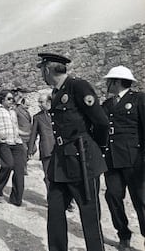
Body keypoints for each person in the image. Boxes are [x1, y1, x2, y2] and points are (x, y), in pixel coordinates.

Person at [37, 53, 109, 251]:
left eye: (42, 70)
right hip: (61, 159)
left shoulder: (78, 86)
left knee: (89, 215)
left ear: (48, 69)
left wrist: (97, 149)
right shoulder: (56, 93)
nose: (41, 74)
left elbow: (101, 122)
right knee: (55, 210)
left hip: (82, 158)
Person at [101, 65, 145, 250]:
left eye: (109, 81)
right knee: (113, 196)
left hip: (135, 161)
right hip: (111, 161)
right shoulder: (107, 105)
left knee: (141, 201)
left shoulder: (139, 99)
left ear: (117, 81)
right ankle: (123, 235)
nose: (107, 84)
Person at [0, 91, 26, 205]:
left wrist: (26, 133)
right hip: (4, 142)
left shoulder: (13, 112)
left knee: (19, 171)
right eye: (9, 99)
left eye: (12, 99)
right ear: (2, 99)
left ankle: (16, 199)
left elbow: (15, 128)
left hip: (17, 142)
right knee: (8, 164)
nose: (11, 101)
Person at [27, 94, 55, 192]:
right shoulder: (37, 117)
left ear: (49, 102)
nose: (39, 104)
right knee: (48, 176)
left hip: (60, 150)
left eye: (41, 102)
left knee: (63, 175)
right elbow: (33, 134)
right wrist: (30, 150)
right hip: (46, 150)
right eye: (38, 102)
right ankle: (51, 199)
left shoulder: (58, 114)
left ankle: (68, 201)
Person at [14, 95, 32, 175]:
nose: (28, 107)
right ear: (22, 103)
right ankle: (24, 169)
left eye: (29, 105)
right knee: (24, 152)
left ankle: (21, 162)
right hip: (21, 135)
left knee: (33, 149)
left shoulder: (27, 112)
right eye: (27, 105)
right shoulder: (17, 111)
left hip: (28, 135)